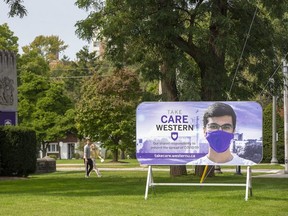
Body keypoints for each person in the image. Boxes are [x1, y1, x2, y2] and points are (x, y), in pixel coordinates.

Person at [187, 102, 256, 165]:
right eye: (213, 126)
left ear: (233, 131)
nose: (220, 131)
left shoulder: (249, 165)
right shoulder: (192, 165)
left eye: (226, 127)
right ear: (204, 131)